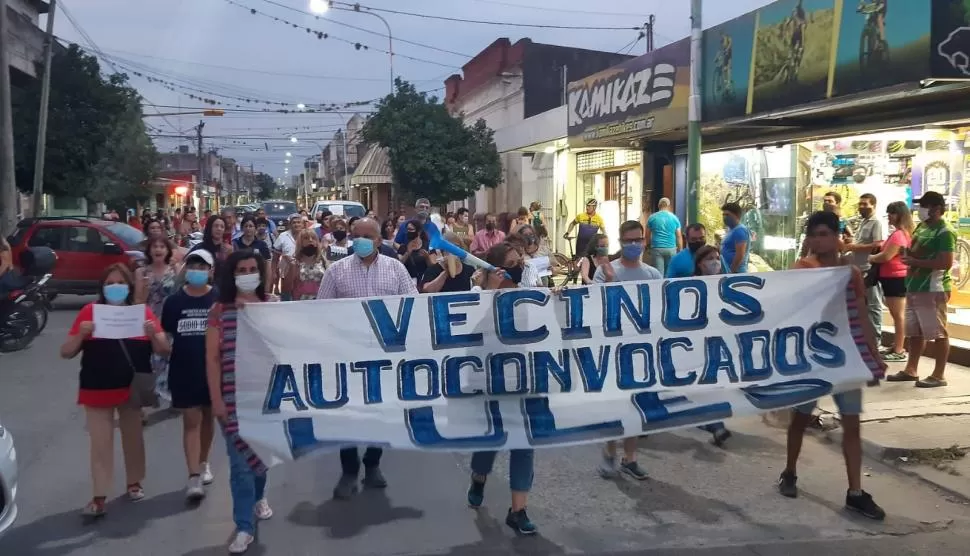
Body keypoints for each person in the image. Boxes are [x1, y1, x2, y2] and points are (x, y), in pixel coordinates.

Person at [780, 210, 887, 521]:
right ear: (811, 239)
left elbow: (861, 314)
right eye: (818, 234)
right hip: (812, 359)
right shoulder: (803, 270)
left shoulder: (851, 273)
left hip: (846, 357)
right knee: (800, 419)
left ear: (838, 237)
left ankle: (855, 491)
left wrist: (872, 354)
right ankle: (790, 471)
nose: (824, 240)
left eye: (829, 233)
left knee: (852, 424)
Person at [317, 218, 419, 500]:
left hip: (384, 357)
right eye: (355, 235)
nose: (360, 240)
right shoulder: (336, 272)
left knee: (381, 412)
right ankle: (349, 470)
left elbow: (412, 305)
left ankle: (372, 464)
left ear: (378, 240)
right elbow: (319, 313)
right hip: (347, 356)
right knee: (347, 415)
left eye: (366, 236)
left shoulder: (395, 269)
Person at [60, 264, 170, 517]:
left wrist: (153, 334)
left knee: (133, 438)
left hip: (129, 389)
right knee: (100, 444)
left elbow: (164, 349)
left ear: (129, 287)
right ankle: (99, 497)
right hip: (96, 388)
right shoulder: (90, 312)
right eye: (110, 283)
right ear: (102, 288)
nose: (115, 288)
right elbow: (65, 352)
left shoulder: (141, 314)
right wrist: (81, 336)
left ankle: (134, 483)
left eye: (120, 283)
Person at [465, 242, 538, 534]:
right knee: (492, 439)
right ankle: (479, 477)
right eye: (510, 262)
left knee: (524, 442)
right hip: (489, 376)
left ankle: (518, 511)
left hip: (523, 373)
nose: (517, 266)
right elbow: (470, 329)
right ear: (495, 267)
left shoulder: (527, 290)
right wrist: (492, 290)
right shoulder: (476, 295)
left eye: (519, 261)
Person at [206, 251, 276, 554]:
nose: (247, 273)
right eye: (241, 269)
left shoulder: (274, 307)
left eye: (252, 269)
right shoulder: (219, 312)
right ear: (231, 275)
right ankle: (244, 525)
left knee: (260, 460)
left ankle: (259, 497)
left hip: (267, 399)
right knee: (240, 467)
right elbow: (211, 359)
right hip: (233, 400)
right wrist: (217, 401)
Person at [592, 220, 660, 480]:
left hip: (641, 349)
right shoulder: (606, 270)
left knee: (635, 406)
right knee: (614, 406)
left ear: (644, 241)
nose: (634, 245)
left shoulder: (653, 274)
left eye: (638, 240)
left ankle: (630, 458)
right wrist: (609, 281)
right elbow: (596, 308)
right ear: (621, 243)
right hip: (612, 349)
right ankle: (610, 452)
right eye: (629, 240)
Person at [161, 250, 219, 501]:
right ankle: (193, 475)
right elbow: (166, 334)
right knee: (191, 420)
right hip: (184, 369)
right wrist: (160, 343)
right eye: (193, 264)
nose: (197, 269)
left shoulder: (218, 299)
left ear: (210, 270)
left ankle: (204, 462)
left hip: (212, 370)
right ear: (186, 269)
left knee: (208, 418)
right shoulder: (174, 302)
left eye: (202, 265)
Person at [891, 191, 955, 387]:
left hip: (932, 288)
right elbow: (915, 249)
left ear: (936, 208)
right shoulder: (922, 227)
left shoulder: (945, 231)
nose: (920, 210)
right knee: (914, 332)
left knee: (938, 332)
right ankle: (911, 369)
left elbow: (946, 262)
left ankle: (938, 375)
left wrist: (915, 260)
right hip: (914, 286)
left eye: (924, 206)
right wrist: (908, 254)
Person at [869, 201, 913, 362]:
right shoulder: (899, 233)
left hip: (896, 278)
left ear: (900, 215)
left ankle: (899, 349)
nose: (889, 216)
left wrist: (872, 257)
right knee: (896, 315)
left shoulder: (899, 235)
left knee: (898, 315)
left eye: (892, 213)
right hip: (891, 278)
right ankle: (896, 345)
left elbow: (887, 256)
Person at [844, 193, 885, 342]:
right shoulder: (863, 222)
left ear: (873, 205)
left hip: (869, 270)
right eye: (860, 204)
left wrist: (854, 246)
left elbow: (878, 244)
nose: (862, 207)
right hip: (858, 269)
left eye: (865, 204)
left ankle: (876, 340)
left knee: (873, 305)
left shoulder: (877, 222)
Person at [283, 229, 326, 301]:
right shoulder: (294, 262)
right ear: (300, 242)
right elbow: (286, 289)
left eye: (313, 238)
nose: (310, 240)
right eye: (306, 238)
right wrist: (292, 268)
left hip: (320, 302)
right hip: (299, 304)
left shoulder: (323, 261)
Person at [645, 197, 683, 275]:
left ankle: (660, 287)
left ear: (659, 206)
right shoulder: (674, 218)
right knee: (670, 273)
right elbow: (678, 236)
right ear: (668, 206)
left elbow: (647, 235)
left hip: (657, 248)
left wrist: (647, 247)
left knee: (659, 274)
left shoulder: (652, 217)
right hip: (671, 248)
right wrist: (680, 249)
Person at [190, 215, 233, 282]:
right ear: (210, 228)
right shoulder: (199, 248)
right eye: (216, 226)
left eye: (222, 226)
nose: (219, 229)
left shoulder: (229, 249)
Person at [397, 219, 433, 286]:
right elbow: (398, 265)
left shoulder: (428, 245)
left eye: (411, 229)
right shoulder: (403, 247)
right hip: (407, 282)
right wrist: (407, 253)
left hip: (422, 282)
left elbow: (432, 267)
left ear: (419, 232)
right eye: (407, 229)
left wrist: (427, 257)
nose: (408, 232)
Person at [721, 202, 750, 273]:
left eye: (727, 215)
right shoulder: (731, 229)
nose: (724, 217)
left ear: (737, 215)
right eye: (723, 215)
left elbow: (740, 254)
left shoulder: (740, 230)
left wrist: (732, 271)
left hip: (736, 272)